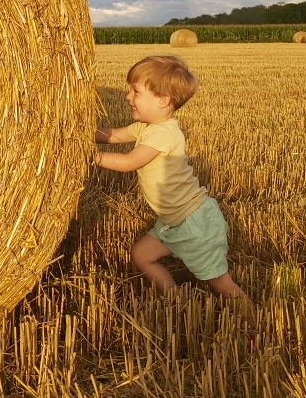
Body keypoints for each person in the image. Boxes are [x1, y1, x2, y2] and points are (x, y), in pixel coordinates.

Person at [95, 54, 254, 325]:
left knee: (220, 284)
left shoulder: (164, 133)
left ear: (163, 100)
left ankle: (255, 325)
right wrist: (75, 132)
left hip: (194, 223)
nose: (127, 96)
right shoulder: (147, 127)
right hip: (173, 222)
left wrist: (89, 155)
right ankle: (176, 302)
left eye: (135, 91)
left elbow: (129, 162)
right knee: (142, 255)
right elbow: (113, 135)